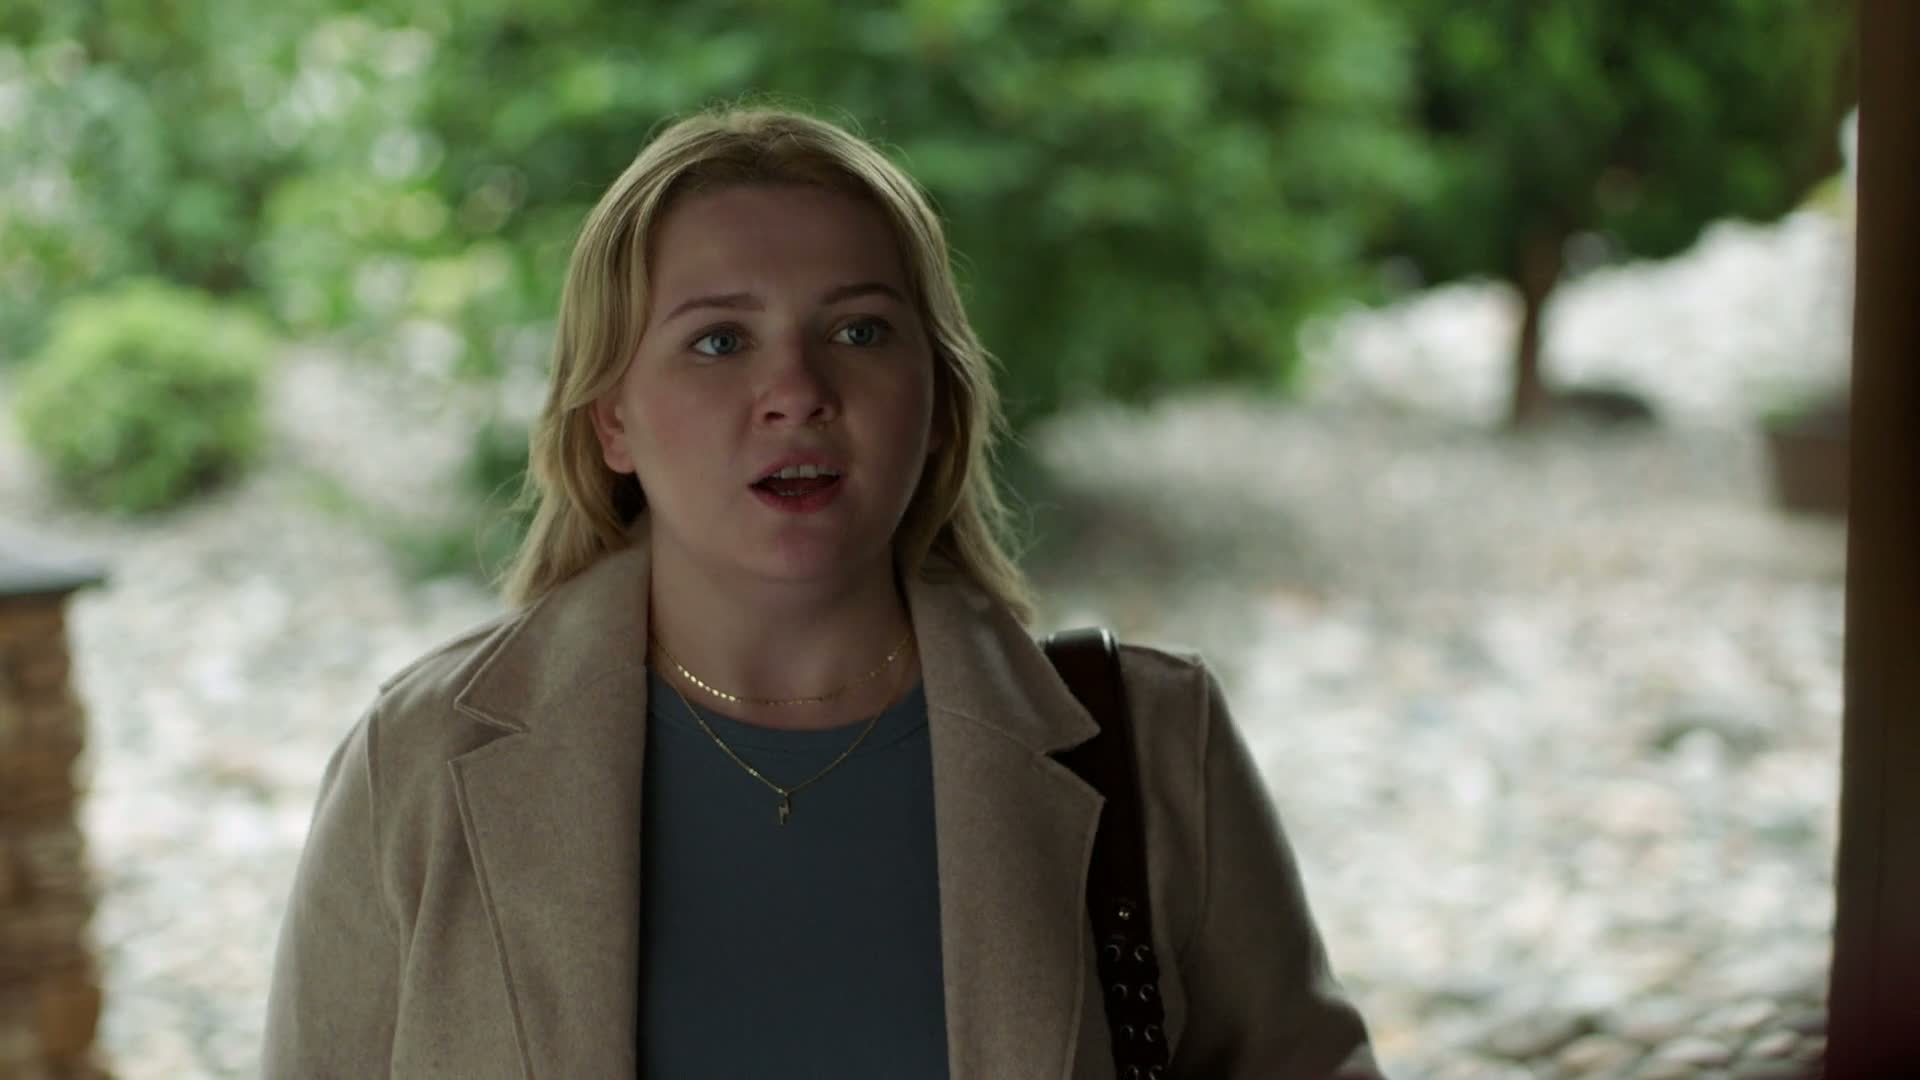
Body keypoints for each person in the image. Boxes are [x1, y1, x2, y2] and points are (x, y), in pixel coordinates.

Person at [262, 103, 1382, 1079]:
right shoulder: (419, 760)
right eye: (718, 341)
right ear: (611, 421)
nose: (796, 390)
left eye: (858, 330)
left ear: (936, 401)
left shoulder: (1151, 742)